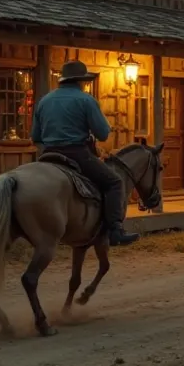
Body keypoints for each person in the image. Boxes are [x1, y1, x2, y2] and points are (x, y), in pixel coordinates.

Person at [31, 60, 140, 247]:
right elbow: (103, 134)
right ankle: (115, 230)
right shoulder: (86, 100)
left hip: (48, 155)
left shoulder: (44, 100)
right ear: (81, 81)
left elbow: (36, 136)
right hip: (77, 154)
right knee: (114, 182)